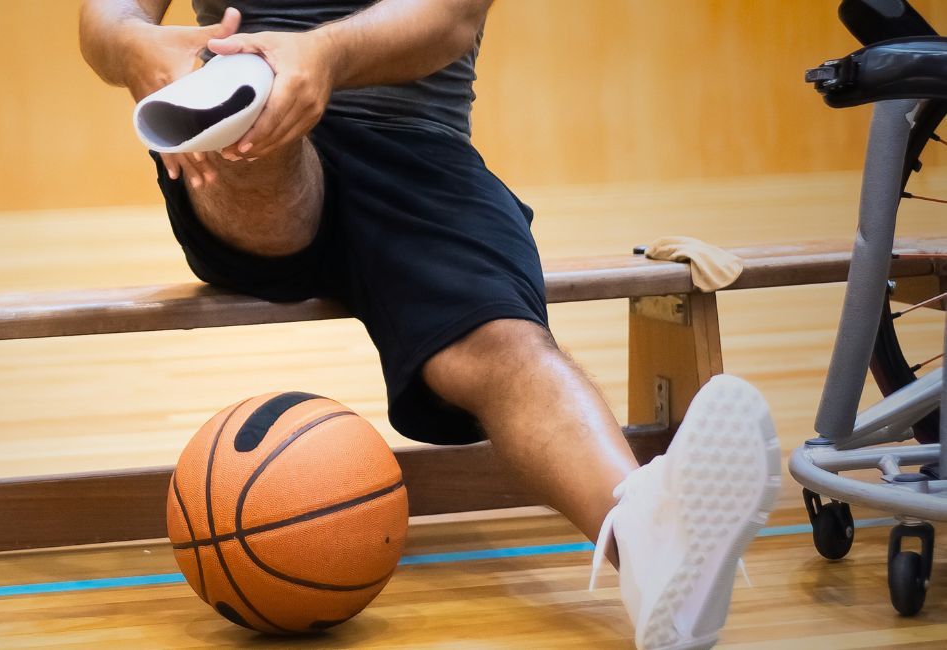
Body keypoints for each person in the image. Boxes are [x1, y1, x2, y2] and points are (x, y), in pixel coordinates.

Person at [79, 2, 781, 648]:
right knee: (255, 113)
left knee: (503, 345)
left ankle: (651, 547)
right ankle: (255, 102)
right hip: (245, 147)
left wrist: (321, 56)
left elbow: (448, 19)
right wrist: (133, 44)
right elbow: (106, 16)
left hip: (418, 153)